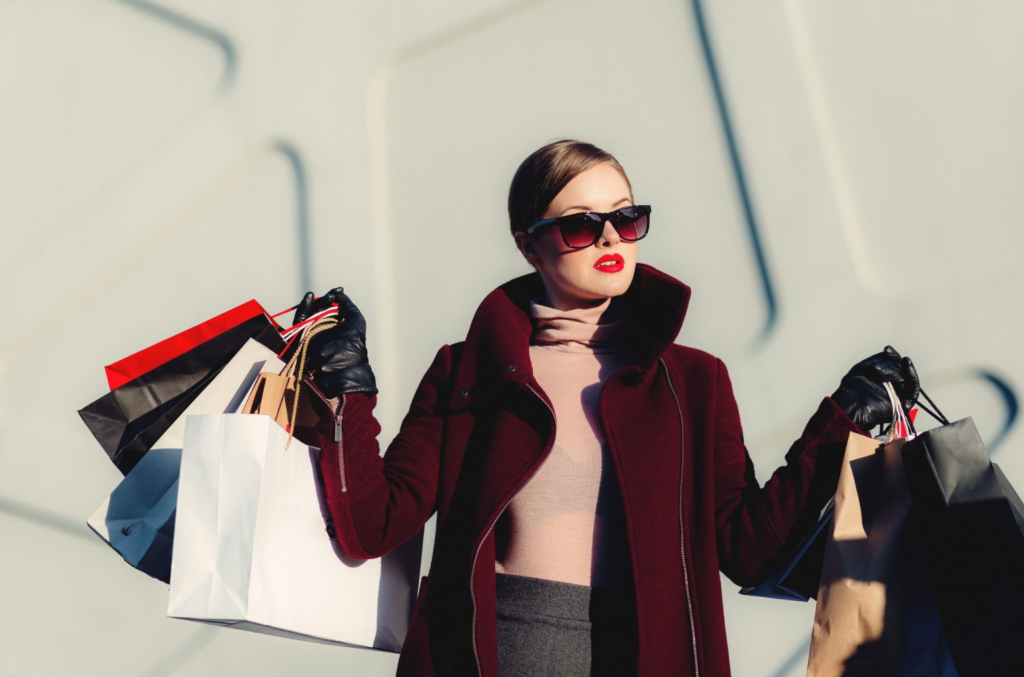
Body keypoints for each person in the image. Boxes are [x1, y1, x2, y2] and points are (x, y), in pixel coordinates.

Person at [295, 140, 920, 677]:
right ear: (528, 245)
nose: (609, 239)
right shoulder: (469, 371)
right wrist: (347, 387)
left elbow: (748, 548)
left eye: (626, 218)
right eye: (579, 225)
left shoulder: (693, 381)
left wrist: (840, 423)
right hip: (502, 651)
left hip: (650, 654)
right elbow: (372, 524)